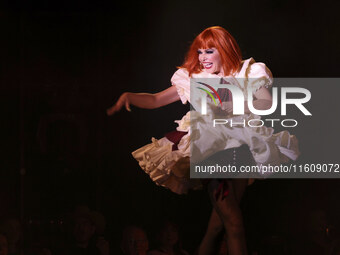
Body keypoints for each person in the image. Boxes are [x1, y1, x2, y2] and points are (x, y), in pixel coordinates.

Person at [107, 26, 299, 255]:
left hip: (242, 147)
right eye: (200, 52)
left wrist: (238, 104)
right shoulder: (195, 78)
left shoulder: (248, 72)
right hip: (211, 149)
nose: (202, 57)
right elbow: (157, 99)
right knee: (234, 223)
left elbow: (266, 103)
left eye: (209, 51)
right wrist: (130, 96)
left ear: (224, 49)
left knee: (219, 224)